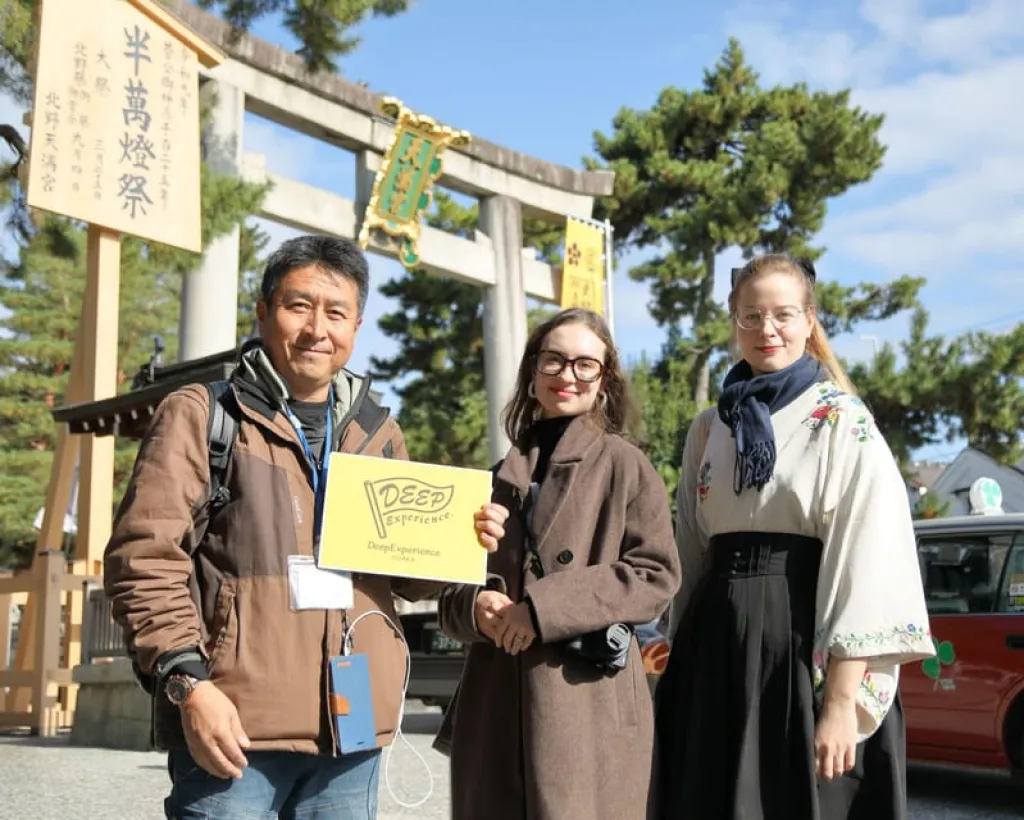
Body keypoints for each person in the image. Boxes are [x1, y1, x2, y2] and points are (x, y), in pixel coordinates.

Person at [103, 235, 507, 820]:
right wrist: (188, 681)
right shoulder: (205, 415)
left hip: (353, 724)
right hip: (236, 721)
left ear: (356, 327)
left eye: (336, 313)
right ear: (264, 312)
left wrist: (462, 538)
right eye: (299, 306)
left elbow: (406, 578)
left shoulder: (376, 432)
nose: (318, 328)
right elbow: (144, 558)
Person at [654, 254, 934, 819]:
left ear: (809, 321)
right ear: (734, 322)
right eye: (751, 315)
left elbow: (868, 558)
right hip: (716, 643)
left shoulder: (842, 420)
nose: (768, 329)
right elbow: (689, 545)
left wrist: (841, 700)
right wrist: (674, 654)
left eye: (783, 314)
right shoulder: (709, 427)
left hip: (805, 638)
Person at [440, 307, 682, 820]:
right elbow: (450, 593)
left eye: (585, 364)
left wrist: (540, 610)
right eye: (553, 360)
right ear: (533, 371)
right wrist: (476, 606)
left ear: (605, 380)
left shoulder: (626, 466)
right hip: (496, 706)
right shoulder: (493, 477)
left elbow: (655, 574)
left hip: (586, 704)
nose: (567, 375)